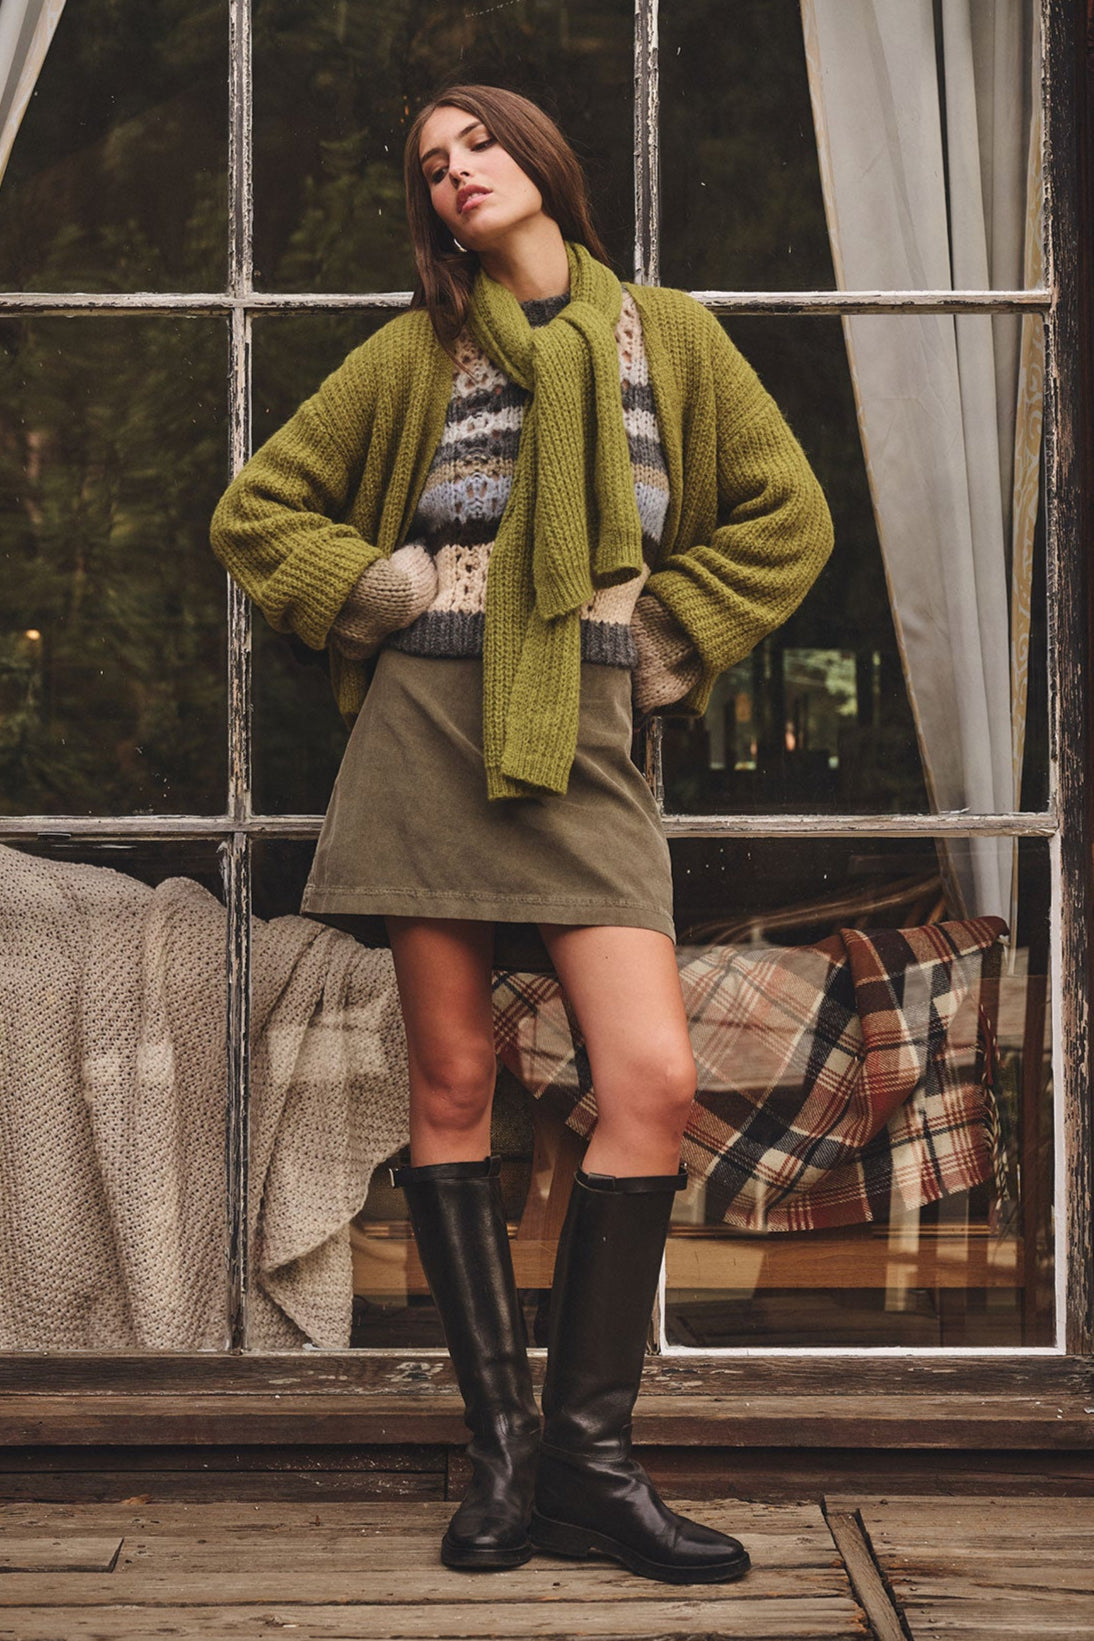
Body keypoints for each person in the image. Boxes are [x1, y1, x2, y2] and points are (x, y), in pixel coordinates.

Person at [211, 84, 833, 1584]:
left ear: (540, 159)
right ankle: (503, 1463)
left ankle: (591, 1462)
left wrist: (667, 637)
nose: (456, 174)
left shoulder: (665, 337)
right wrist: (384, 590)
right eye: (432, 166)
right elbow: (260, 510)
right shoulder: (412, 351)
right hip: (426, 729)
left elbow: (784, 513)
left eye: (476, 144)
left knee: (650, 1078)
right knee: (453, 1077)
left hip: (587, 735)